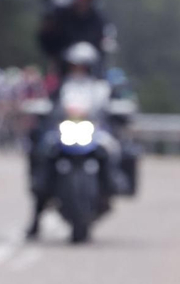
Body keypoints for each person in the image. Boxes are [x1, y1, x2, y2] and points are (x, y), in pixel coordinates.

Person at [26, 41, 115, 239]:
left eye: (83, 66)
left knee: (111, 152)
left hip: (93, 130)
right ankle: (36, 215)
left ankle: (110, 187)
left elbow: (109, 110)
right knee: (43, 154)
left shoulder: (101, 89)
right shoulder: (60, 87)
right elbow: (48, 108)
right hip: (64, 130)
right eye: (75, 65)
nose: (79, 70)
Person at [36, 0, 108, 83]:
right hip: (62, 74)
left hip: (90, 77)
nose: (84, 1)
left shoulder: (98, 21)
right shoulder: (60, 16)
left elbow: (100, 49)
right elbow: (47, 43)